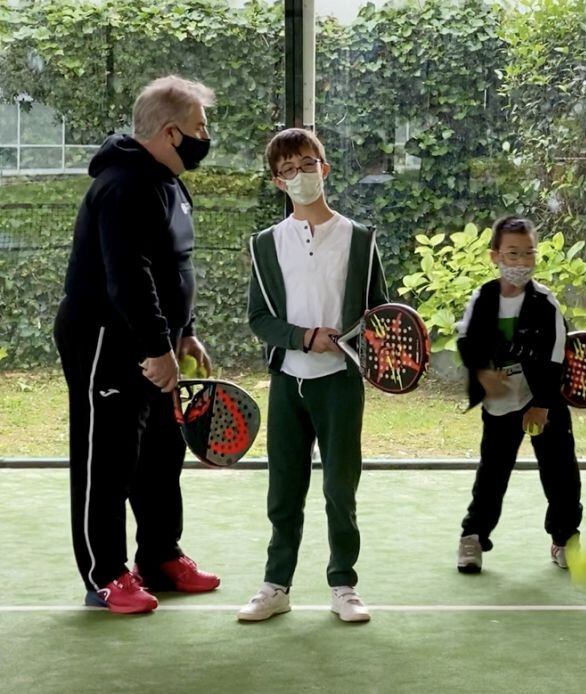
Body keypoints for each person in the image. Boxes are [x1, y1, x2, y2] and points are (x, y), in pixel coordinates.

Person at [53, 75, 220, 614]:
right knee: (109, 456)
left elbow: (174, 264)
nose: (205, 135)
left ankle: (160, 557)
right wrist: (156, 346)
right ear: (171, 133)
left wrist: (184, 330)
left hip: (156, 342)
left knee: (160, 453)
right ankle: (105, 575)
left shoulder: (167, 180)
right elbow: (128, 274)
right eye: (200, 126)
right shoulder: (124, 184)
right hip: (107, 341)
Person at [239, 128, 388, 623]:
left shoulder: (361, 240)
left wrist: (365, 346)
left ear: (324, 169)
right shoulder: (265, 245)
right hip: (288, 381)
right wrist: (304, 338)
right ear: (278, 183)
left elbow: (380, 315)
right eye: (287, 170)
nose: (299, 176)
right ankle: (275, 585)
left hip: (340, 383)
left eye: (307, 164)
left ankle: (343, 585)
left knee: (340, 489)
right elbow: (260, 319)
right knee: (284, 489)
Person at [455, 216, 583, 574]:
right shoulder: (483, 298)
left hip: (543, 402)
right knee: (492, 473)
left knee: (561, 474)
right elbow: (467, 340)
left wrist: (541, 405)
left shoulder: (546, 303)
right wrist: (482, 372)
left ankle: (565, 539)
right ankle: (473, 538)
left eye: (529, 253)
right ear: (494, 256)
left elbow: (556, 357)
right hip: (500, 406)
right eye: (512, 253)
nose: (521, 262)